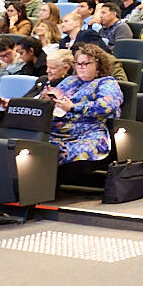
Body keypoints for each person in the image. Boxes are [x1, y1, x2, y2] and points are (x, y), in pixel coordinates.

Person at [47, 43, 125, 187]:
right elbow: (51, 99)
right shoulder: (70, 81)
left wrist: (74, 107)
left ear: (98, 65)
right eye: (77, 64)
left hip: (89, 132)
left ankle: (47, 185)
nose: (80, 67)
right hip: (58, 130)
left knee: (68, 151)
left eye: (85, 63)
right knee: (36, 146)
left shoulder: (107, 83)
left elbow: (107, 106)